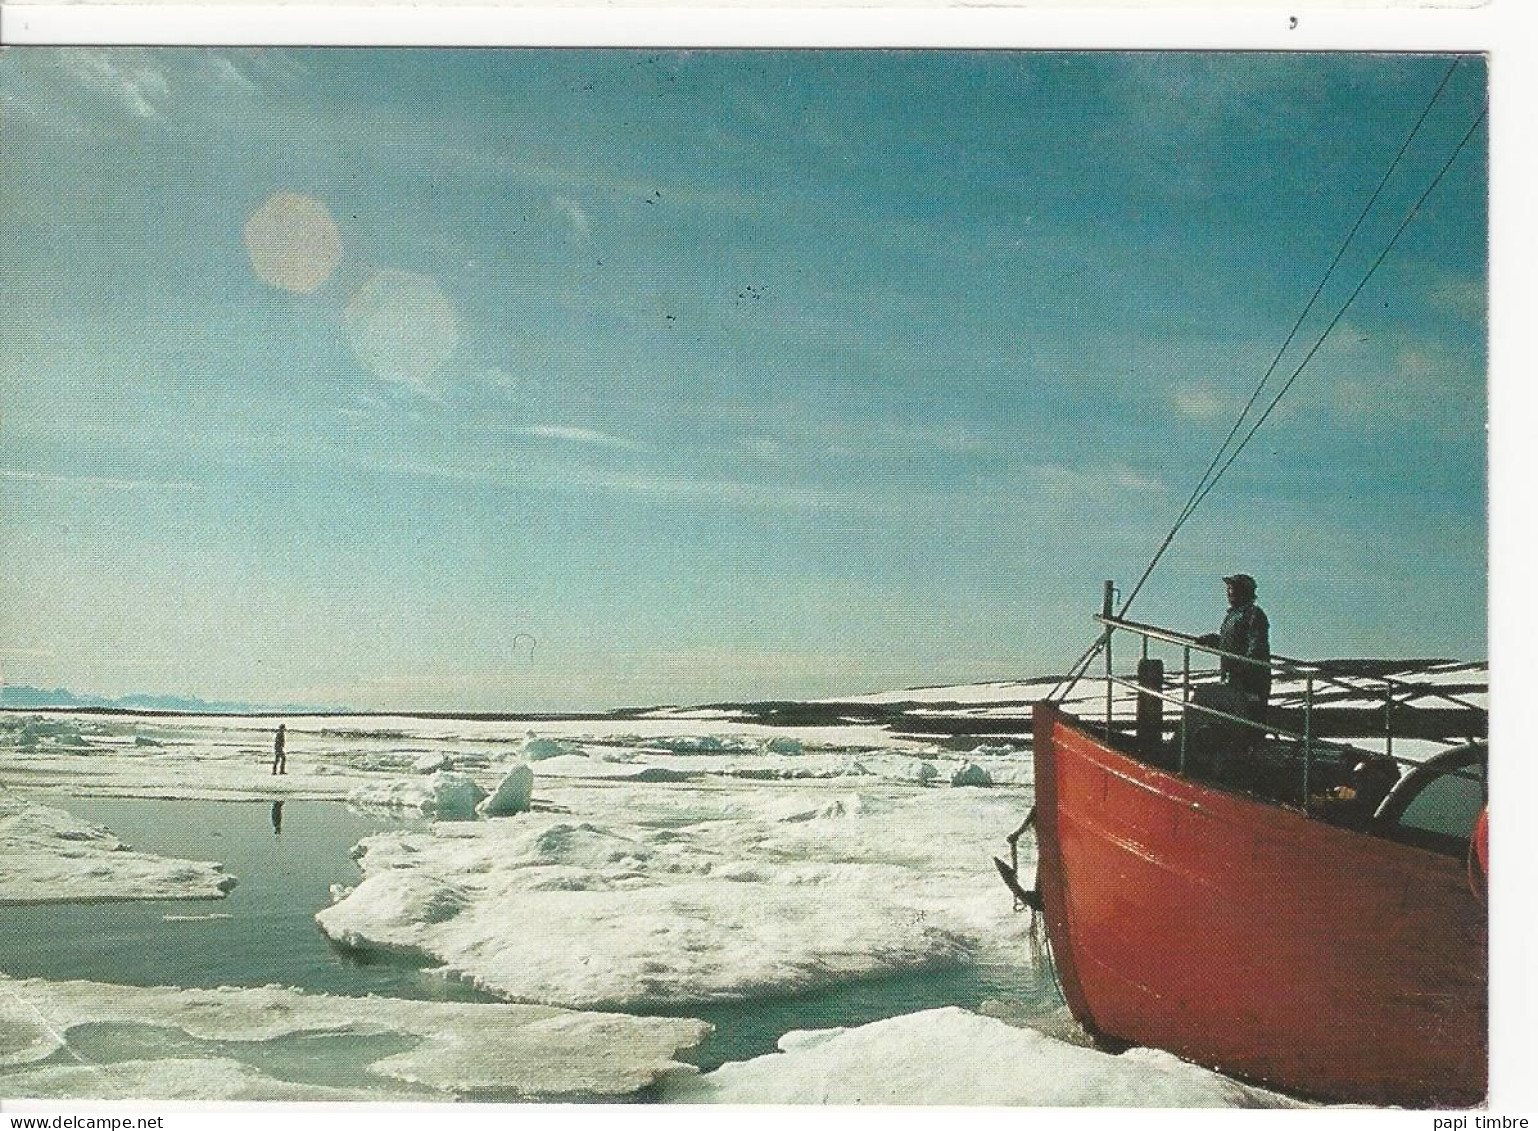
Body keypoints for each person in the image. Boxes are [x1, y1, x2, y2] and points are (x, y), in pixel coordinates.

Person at [1200, 573, 1272, 723]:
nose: (1229, 593)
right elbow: (1232, 643)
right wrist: (1214, 641)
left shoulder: (1253, 614)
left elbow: (1256, 645)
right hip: (1233, 677)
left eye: (1232, 589)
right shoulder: (1232, 616)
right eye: (1229, 589)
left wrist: (1243, 667)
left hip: (1249, 681)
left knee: (1243, 719)